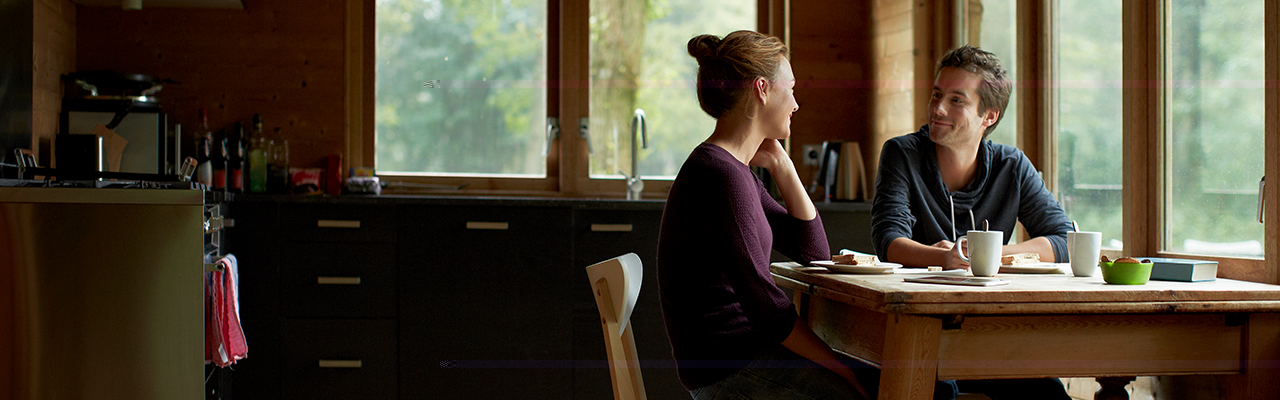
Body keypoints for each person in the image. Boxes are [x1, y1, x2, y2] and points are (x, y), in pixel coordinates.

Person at [656, 30, 871, 400]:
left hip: (739, 357)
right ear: (762, 89)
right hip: (729, 368)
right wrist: (840, 369)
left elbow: (815, 252)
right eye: (790, 88)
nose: (796, 103)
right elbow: (765, 304)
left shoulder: (736, 171)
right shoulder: (719, 174)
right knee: (865, 388)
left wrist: (783, 167)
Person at [870, 45, 1074, 400]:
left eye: (956, 100)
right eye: (936, 95)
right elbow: (888, 241)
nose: (937, 109)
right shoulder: (901, 154)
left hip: (990, 333)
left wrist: (989, 255)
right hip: (918, 332)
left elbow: (1062, 239)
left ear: (988, 116)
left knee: (1048, 395)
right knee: (935, 389)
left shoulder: (1013, 165)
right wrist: (944, 258)